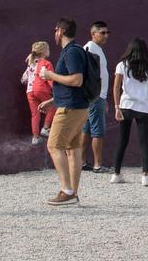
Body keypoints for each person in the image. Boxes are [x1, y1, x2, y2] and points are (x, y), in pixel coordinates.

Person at [39, 18, 90, 205]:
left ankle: (67, 191)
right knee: (73, 148)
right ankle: (73, 193)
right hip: (78, 106)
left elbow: (76, 80)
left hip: (70, 109)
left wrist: (49, 75)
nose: (54, 33)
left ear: (60, 31)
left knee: (54, 146)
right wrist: (53, 101)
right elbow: (74, 85)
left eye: (55, 30)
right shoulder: (76, 50)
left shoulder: (71, 53)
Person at [111, 37, 148, 186]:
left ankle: (116, 174)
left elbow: (116, 87)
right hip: (144, 107)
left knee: (122, 141)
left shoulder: (121, 65)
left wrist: (117, 107)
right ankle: (145, 175)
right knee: (144, 142)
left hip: (126, 105)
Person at [81, 21, 111, 174]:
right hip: (94, 96)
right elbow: (90, 75)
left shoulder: (95, 48)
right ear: (93, 34)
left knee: (86, 130)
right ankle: (98, 165)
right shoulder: (91, 48)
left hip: (96, 96)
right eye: (102, 33)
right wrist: (99, 96)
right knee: (97, 130)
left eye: (107, 33)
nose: (106, 35)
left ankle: (82, 162)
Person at [23, 41, 55, 144]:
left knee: (35, 114)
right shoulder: (46, 63)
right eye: (48, 49)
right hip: (41, 89)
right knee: (53, 106)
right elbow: (50, 78)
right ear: (44, 52)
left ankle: (35, 138)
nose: (49, 51)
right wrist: (55, 90)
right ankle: (45, 129)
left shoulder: (31, 64)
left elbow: (23, 79)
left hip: (29, 91)